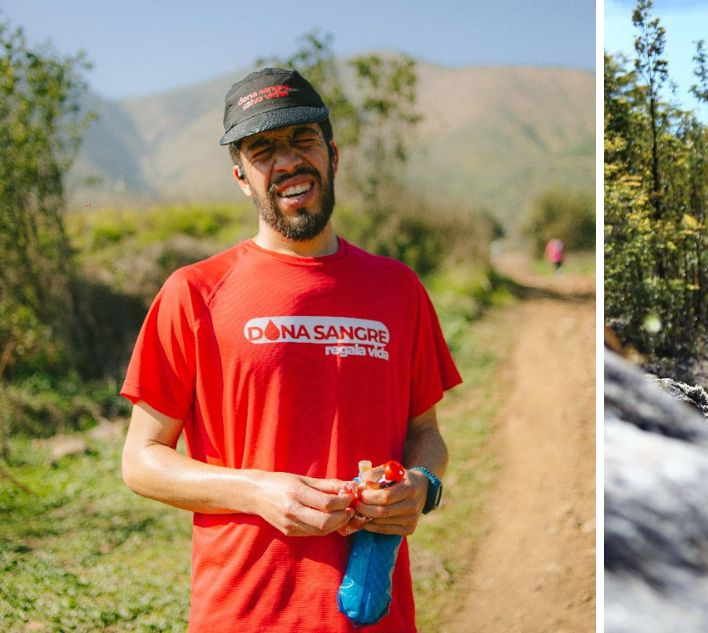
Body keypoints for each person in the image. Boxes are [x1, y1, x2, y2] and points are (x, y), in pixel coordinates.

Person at [120, 68, 462, 631]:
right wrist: (256, 490)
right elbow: (141, 460)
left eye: (302, 139)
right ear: (241, 177)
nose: (287, 161)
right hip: (245, 612)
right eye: (262, 150)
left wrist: (422, 484)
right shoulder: (195, 292)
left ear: (333, 155)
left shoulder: (398, 288)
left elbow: (425, 431)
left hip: (373, 612)